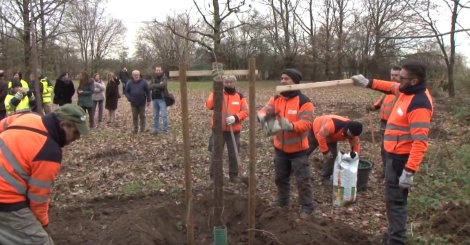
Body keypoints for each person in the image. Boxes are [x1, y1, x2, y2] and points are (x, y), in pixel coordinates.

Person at [351, 60, 433, 245]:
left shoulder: (419, 104)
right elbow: (389, 86)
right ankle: (392, 232)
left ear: (414, 80)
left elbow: (420, 141)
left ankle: (396, 240)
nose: (398, 81)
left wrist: (409, 170)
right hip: (392, 154)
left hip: (401, 160)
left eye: (402, 78)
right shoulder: (405, 90)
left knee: (395, 202)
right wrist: (367, 82)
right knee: (391, 199)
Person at [0, 103, 90, 245]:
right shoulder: (50, 152)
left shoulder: (27, 117)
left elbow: (1, 126)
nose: (77, 138)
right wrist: (43, 226)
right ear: (62, 125)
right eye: (75, 132)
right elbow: (38, 199)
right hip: (6, 200)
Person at [257, 68, 315, 220]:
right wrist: (262, 116)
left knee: (302, 181)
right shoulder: (277, 98)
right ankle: (283, 202)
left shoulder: (305, 102)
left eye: (286, 79)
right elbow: (265, 110)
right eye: (281, 78)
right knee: (280, 178)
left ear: (295, 82)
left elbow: (307, 124)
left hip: (298, 151)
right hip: (280, 148)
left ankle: (307, 207)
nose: (283, 81)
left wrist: (290, 125)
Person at [206, 75, 249, 182]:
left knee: (234, 153)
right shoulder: (217, 93)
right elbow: (209, 105)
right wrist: (216, 93)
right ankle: (214, 175)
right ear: (223, 83)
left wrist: (235, 117)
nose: (229, 84)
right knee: (216, 153)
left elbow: (246, 111)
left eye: (231, 82)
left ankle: (234, 175)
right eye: (226, 82)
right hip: (218, 130)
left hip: (234, 132)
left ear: (234, 83)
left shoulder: (239, 96)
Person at [366, 66, 401, 178]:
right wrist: (372, 107)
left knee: (392, 150)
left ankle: (392, 173)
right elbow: (379, 103)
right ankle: (386, 171)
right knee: (384, 148)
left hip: (395, 125)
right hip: (384, 123)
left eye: (396, 75)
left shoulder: (402, 92)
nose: (393, 77)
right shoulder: (388, 90)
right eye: (392, 75)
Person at [306, 115, 363, 185]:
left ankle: (325, 177)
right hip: (318, 129)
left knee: (332, 156)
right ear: (347, 129)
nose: (349, 137)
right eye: (349, 134)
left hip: (331, 138)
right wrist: (325, 152)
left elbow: (356, 145)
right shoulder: (334, 125)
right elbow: (321, 136)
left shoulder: (354, 133)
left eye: (351, 136)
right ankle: (294, 166)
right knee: (306, 150)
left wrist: (354, 157)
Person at [150, 66, 169, 134]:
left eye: (159, 70)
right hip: (154, 98)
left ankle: (165, 130)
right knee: (155, 115)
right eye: (157, 70)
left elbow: (163, 85)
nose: (158, 71)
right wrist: (158, 85)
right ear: (155, 71)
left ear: (161, 71)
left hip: (162, 98)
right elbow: (150, 87)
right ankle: (156, 129)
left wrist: (154, 85)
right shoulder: (153, 78)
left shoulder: (164, 77)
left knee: (164, 115)